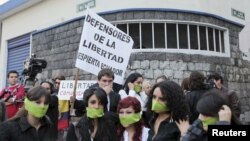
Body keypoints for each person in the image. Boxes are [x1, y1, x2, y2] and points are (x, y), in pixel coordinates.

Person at [177, 89, 241, 141]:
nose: (201, 118)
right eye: (201, 114)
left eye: (206, 115)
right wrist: (193, 128)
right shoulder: (201, 133)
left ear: (222, 115)